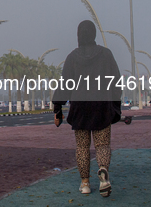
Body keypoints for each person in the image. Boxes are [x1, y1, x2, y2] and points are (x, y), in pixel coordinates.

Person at [52, 20, 121, 197]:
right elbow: (116, 82)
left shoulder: (72, 57)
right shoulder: (106, 55)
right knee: (103, 145)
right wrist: (116, 105)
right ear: (94, 34)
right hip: (102, 107)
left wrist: (57, 108)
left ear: (78, 35)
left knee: (82, 147)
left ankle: (85, 184)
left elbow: (65, 85)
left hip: (80, 108)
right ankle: (103, 173)